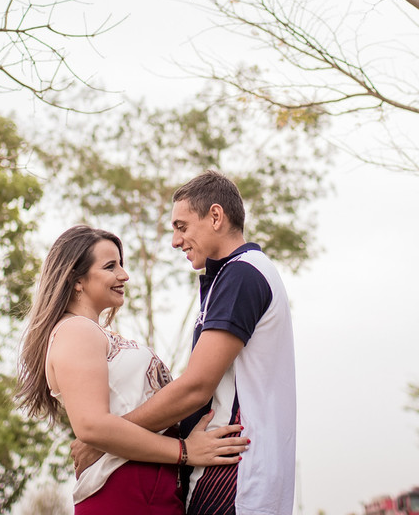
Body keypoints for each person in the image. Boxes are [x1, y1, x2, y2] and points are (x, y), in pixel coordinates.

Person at [72, 170, 298, 515]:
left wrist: (106, 438)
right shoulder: (238, 274)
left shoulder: (241, 274)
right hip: (237, 471)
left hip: (235, 478)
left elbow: (196, 386)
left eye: (182, 226)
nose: (176, 241)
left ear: (216, 216)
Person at [17, 224, 249, 514]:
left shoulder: (98, 334)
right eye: (110, 266)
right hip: (125, 489)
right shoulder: (75, 331)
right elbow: (91, 426)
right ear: (77, 280)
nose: (124, 275)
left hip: (153, 486)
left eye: (121, 265)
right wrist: (185, 451)